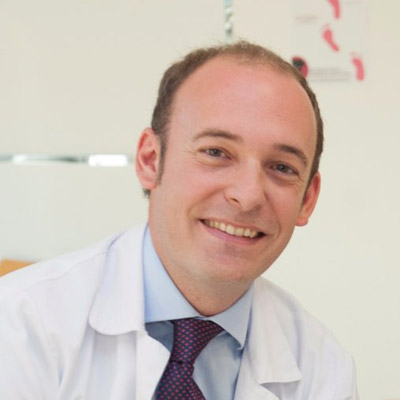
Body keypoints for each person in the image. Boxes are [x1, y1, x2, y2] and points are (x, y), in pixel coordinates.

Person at [0, 41, 358, 399]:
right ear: (150, 160)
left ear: (307, 199)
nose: (248, 195)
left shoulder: (322, 369)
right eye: (216, 152)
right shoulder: (21, 325)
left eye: (282, 167)